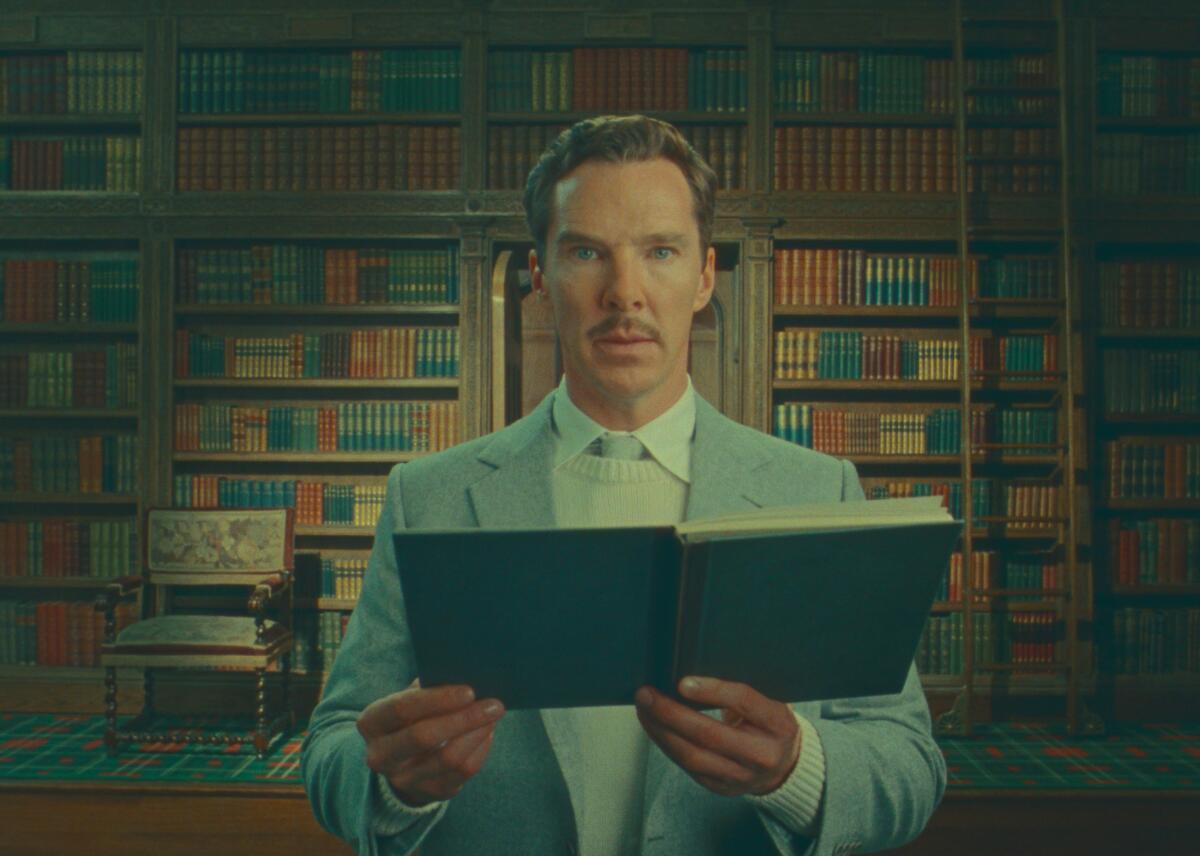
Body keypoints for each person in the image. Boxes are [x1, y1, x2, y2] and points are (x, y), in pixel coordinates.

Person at [301, 114, 946, 856]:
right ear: (541, 278)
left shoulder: (820, 489)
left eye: (661, 251)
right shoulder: (430, 494)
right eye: (586, 252)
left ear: (704, 276)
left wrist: (797, 770)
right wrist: (394, 786)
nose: (625, 292)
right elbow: (331, 748)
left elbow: (909, 763)